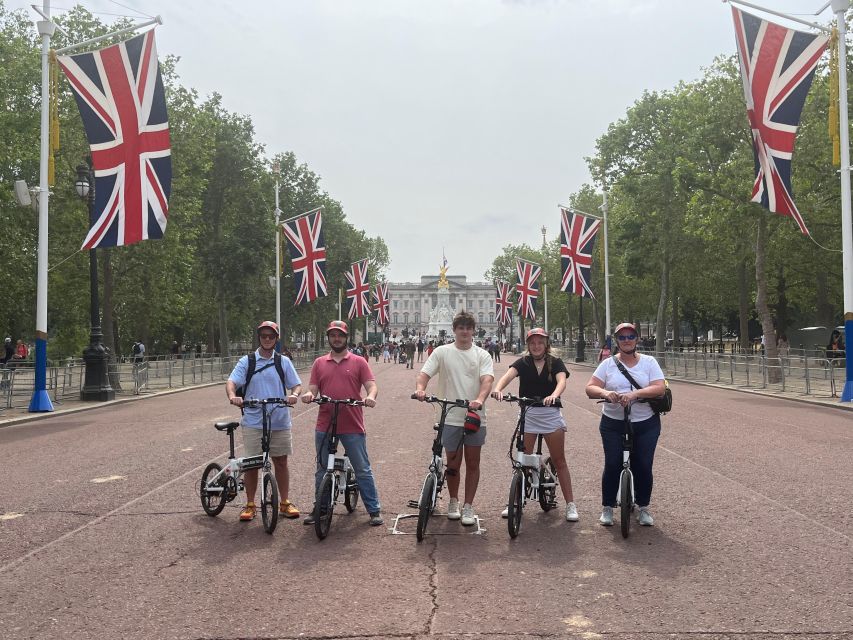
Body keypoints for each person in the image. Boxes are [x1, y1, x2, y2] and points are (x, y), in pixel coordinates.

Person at [414, 310, 494, 526]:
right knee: (453, 463)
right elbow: (424, 373)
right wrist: (421, 389)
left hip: (474, 415)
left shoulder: (482, 355)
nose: (465, 331)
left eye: (468, 328)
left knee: (473, 462)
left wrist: (479, 398)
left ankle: (468, 505)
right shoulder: (442, 352)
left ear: (473, 331)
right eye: (461, 328)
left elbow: (487, 380)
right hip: (449, 415)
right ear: (454, 330)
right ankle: (453, 500)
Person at [301, 320, 383, 526]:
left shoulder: (358, 361)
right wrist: (309, 395)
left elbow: (371, 386)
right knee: (322, 468)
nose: (336, 339)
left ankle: (374, 510)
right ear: (329, 337)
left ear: (346, 338)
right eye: (333, 335)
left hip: (352, 422)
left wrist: (370, 397)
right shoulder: (319, 363)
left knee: (362, 467)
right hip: (325, 422)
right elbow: (313, 388)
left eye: (340, 335)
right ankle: (320, 507)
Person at [492, 328, 579, 522]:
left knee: (559, 460)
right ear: (528, 345)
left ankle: (571, 504)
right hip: (529, 414)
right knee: (521, 461)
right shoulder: (523, 362)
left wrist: (554, 396)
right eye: (532, 343)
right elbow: (507, 376)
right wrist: (498, 389)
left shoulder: (554, 363)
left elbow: (561, 381)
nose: (536, 346)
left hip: (550, 414)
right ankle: (515, 500)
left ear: (546, 344)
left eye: (540, 343)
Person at [584, 322, 665, 528]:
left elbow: (659, 388)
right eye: (622, 337)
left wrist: (634, 394)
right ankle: (608, 507)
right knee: (612, 463)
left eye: (630, 337)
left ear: (637, 339)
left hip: (645, 423)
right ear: (617, 341)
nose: (627, 340)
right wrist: (606, 393)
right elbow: (591, 387)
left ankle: (643, 506)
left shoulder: (649, 362)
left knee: (643, 466)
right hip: (613, 423)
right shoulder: (608, 364)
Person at [226, 321, 303, 522]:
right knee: (252, 464)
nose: (267, 339)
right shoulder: (247, 361)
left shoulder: (283, 362)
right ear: (259, 337)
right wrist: (233, 395)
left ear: (276, 339)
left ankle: (284, 502)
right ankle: (250, 504)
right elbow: (232, 382)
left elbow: (296, 385)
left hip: (278, 419)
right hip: (253, 419)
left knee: (281, 461)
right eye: (263, 336)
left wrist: (294, 395)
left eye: (271, 336)